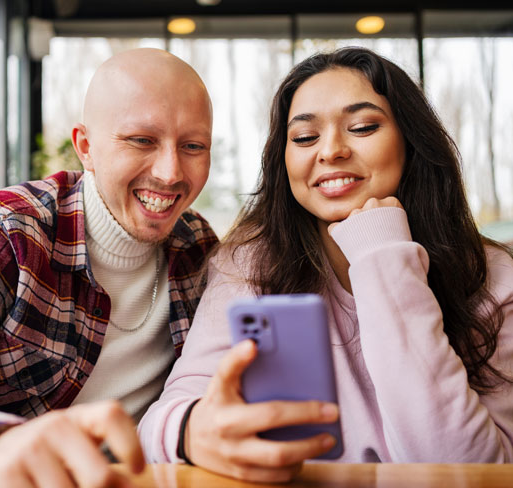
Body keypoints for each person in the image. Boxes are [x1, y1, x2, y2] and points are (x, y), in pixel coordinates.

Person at [139, 46, 513, 482]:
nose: (331, 150)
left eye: (362, 127)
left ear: (411, 142)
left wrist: (382, 256)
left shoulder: (495, 279)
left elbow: (473, 470)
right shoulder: (250, 264)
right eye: (304, 137)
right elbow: (159, 426)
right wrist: (192, 431)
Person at [0, 48, 218, 488]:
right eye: (141, 140)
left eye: (193, 146)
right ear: (86, 148)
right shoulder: (3, 229)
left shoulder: (198, 247)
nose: (170, 172)